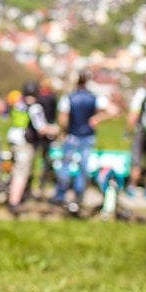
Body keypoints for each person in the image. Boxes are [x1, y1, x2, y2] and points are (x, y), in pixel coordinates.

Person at [55, 71, 117, 208]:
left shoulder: (68, 98)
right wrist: (97, 118)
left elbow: (63, 119)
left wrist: (63, 131)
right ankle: (79, 195)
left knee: (65, 166)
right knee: (83, 167)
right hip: (88, 136)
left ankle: (60, 195)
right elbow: (113, 111)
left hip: (71, 136)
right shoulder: (94, 98)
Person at [6, 79, 59, 216]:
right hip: (24, 142)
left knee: (15, 169)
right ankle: (14, 203)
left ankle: (16, 195)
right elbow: (41, 128)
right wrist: (55, 130)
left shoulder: (18, 103)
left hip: (12, 138)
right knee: (21, 172)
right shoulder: (35, 107)